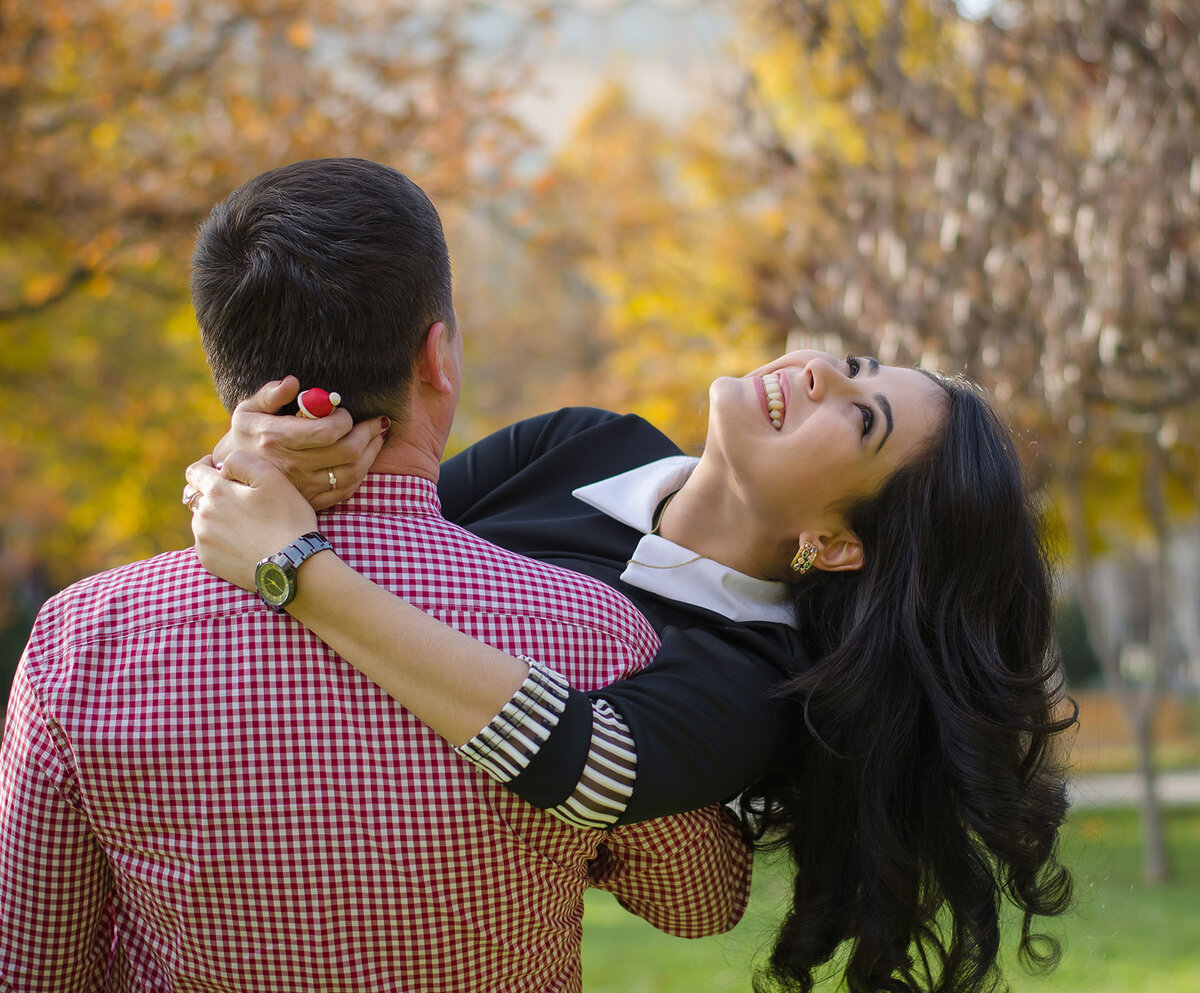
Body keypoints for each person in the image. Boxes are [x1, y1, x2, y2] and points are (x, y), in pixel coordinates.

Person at [0, 158, 752, 993]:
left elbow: (34, 967)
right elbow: (699, 900)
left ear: (227, 370)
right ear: (439, 356)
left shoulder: (82, 643)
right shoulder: (587, 628)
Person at [187, 341, 1077, 990]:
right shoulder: (582, 442)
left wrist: (294, 568)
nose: (821, 371)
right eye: (856, 359)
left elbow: (585, 763)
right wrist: (259, 463)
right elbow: (374, 535)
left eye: (860, 414)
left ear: (836, 543)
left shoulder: (745, 679)